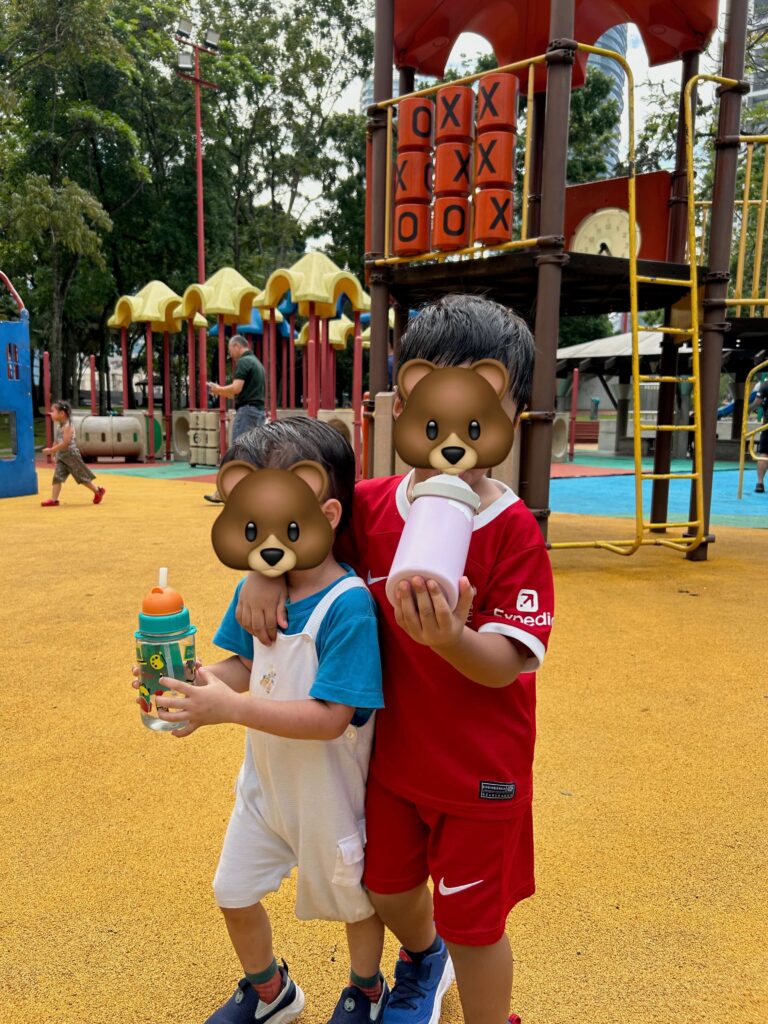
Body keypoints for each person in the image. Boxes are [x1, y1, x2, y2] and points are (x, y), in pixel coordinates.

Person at [235, 295, 555, 1024]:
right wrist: (265, 572)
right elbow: (301, 546)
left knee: (477, 926)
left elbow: (507, 662)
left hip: (481, 770)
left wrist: (450, 638)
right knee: (385, 887)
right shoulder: (374, 507)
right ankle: (421, 959)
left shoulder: (512, 533)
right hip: (392, 760)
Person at [150, 417, 389, 1024]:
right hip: (265, 788)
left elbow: (332, 717)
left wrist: (229, 708)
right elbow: (241, 665)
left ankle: (365, 990)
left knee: (355, 905)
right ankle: (269, 991)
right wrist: (194, 687)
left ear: (326, 514)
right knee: (232, 891)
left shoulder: (348, 605)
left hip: (328, 795)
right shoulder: (258, 590)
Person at [205, 334, 266, 503]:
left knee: (236, 452)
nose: (230, 354)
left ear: (237, 346)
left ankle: (223, 491)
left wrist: (218, 390)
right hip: (259, 413)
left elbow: (236, 389)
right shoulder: (258, 363)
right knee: (254, 453)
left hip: (246, 412)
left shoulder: (244, 362)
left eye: (230, 349)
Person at [41, 400, 105, 507]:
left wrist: (52, 451)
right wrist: (53, 454)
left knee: (81, 477)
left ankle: (97, 491)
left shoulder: (68, 426)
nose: (51, 414)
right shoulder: (58, 426)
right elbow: (56, 441)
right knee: (57, 476)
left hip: (71, 455)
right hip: (62, 456)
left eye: (53, 411)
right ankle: (54, 499)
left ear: (62, 414)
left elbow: (66, 443)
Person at [749, 376, 768, 493]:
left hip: (767, 425)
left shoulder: (765, 384)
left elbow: (757, 402)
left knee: (764, 453)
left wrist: (748, 409)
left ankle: (760, 483)